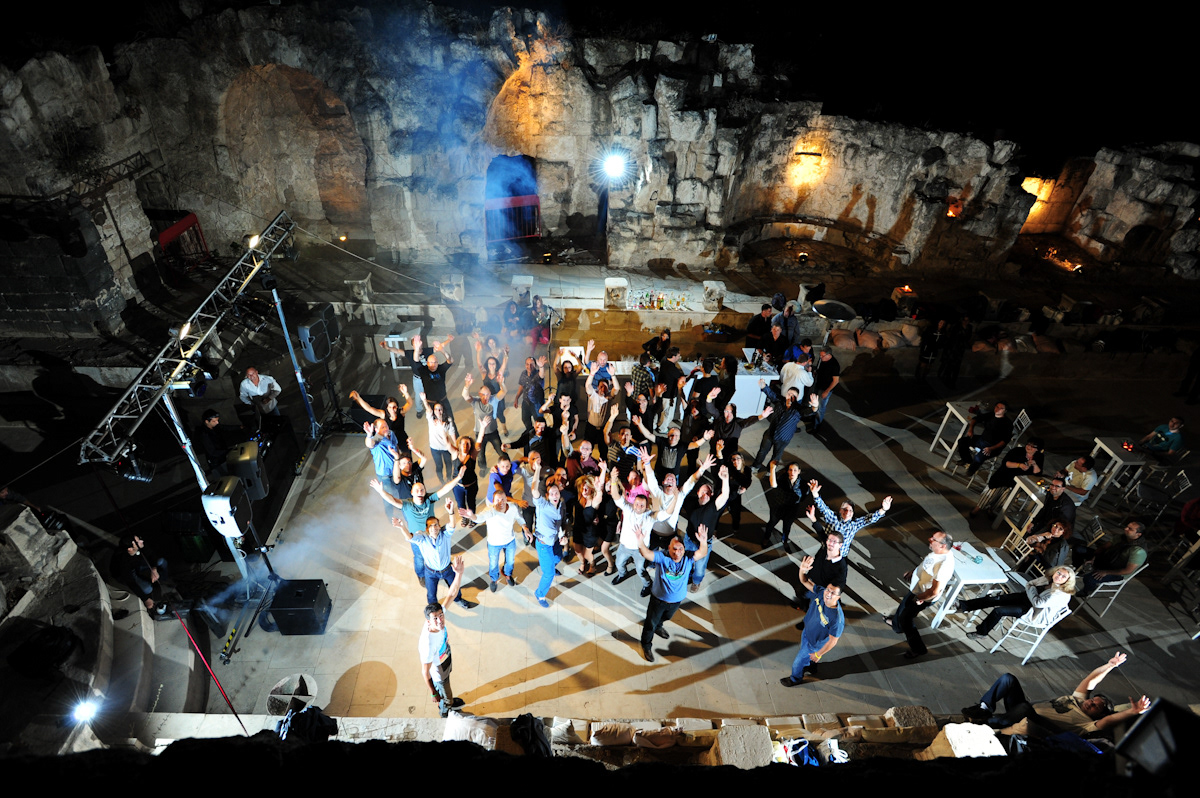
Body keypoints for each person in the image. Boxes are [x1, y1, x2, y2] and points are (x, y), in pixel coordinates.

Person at [961, 651, 1152, 737]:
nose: (1090, 703)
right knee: (1008, 679)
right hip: (1021, 710)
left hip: (1034, 722)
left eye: (1095, 706)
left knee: (1025, 708)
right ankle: (984, 708)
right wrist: (1109, 666)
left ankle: (989, 723)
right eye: (1092, 700)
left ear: (1099, 714)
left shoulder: (1087, 724)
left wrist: (1132, 712)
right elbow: (1091, 680)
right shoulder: (1078, 700)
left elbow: (1109, 721)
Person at [371, 469, 465, 584]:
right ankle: (421, 575)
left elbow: (444, 489)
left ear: (425, 492)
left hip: (433, 534)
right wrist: (381, 491)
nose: (420, 492)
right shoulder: (407, 504)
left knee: (440, 551)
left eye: (422, 490)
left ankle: (444, 567)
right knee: (419, 558)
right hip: (418, 539)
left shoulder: (429, 499)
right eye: (417, 490)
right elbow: (392, 500)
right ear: (412, 492)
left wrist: (458, 477)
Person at [635, 525, 709, 662]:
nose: (677, 552)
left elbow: (702, 553)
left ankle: (659, 627)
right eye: (674, 549)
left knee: (666, 617)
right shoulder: (662, 557)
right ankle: (646, 644)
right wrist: (640, 542)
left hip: (676, 601)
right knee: (650, 624)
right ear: (668, 548)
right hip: (658, 600)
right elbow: (646, 553)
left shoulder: (688, 558)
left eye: (680, 549)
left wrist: (703, 541)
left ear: (684, 549)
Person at [886, 531, 953, 659]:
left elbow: (934, 591)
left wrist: (919, 598)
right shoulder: (938, 552)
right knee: (903, 609)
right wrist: (914, 572)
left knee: (906, 618)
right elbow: (927, 564)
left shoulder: (944, 565)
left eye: (933, 539)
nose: (929, 539)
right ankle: (897, 625)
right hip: (917, 590)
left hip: (922, 595)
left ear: (943, 546)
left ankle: (918, 649)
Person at [961, 564, 1076, 637]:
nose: (1059, 576)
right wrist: (1032, 591)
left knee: (998, 611)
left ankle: (981, 633)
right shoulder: (1048, 578)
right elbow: (1029, 584)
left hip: (1032, 611)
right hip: (1025, 598)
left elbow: (1037, 603)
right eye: (1059, 573)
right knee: (997, 599)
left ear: (1068, 581)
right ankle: (964, 605)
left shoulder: (1061, 594)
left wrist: (1032, 590)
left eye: (1063, 576)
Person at [418, 555, 468, 718]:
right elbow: (425, 672)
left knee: (447, 686)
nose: (440, 620)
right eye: (435, 618)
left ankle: (449, 700)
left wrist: (459, 574)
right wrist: (433, 693)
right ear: (428, 621)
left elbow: (452, 594)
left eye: (441, 615)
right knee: (445, 692)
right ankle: (446, 710)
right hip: (439, 671)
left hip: (445, 657)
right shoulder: (428, 644)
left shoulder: (437, 617)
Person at [402, 499, 475, 610]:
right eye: (431, 526)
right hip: (431, 572)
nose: (434, 527)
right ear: (427, 529)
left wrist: (451, 512)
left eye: (436, 525)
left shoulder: (445, 535)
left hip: (447, 569)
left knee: (455, 587)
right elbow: (410, 537)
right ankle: (434, 609)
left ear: (439, 526)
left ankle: (458, 599)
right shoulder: (422, 538)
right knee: (431, 594)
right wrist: (402, 527)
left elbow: (452, 525)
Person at [780, 580, 844, 687]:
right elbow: (805, 581)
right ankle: (812, 666)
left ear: (838, 597)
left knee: (798, 663)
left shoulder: (837, 619)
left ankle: (795, 679)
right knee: (806, 654)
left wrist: (819, 654)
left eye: (833, 593)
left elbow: (833, 641)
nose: (828, 594)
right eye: (828, 590)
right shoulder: (822, 593)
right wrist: (802, 572)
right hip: (807, 632)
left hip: (814, 644)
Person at [459, 489, 526, 592]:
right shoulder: (490, 511)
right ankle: (494, 579)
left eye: (503, 499)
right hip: (494, 543)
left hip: (510, 541)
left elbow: (519, 517)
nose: (501, 502)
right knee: (494, 563)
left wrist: (525, 528)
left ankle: (507, 575)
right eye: (497, 500)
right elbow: (479, 518)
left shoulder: (512, 507)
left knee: (510, 561)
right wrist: (471, 516)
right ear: (493, 502)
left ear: (506, 499)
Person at [808, 479, 892, 557]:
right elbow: (822, 507)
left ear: (853, 513)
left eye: (850, 510)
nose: (847, 512)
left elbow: (871, 519)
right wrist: (815, 494)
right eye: (845, 509)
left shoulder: (854, 524)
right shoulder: (832, 518)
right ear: (840, 510)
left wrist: (883, 509)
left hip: (840, 557)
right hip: (825, 553)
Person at [529, 460, 567, 608]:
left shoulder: (561, 505)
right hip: (544, 544)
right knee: (549, 574)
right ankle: (539, 594)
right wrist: (538, 469)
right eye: (551, 493)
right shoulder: (542, 504)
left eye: (556, 492)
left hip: (555, 541)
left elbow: (560, 524)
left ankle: (550, 565)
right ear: (547, 495)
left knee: (558, 557)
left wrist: (563, 537)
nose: (554, 495)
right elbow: (534, 490)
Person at [972, 437, 1044, 516]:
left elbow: (1037, 473)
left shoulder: (1039, 457)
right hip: (1003, 476)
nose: (1029, 447)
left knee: (1005, 498)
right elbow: (1005, 463)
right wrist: (1019, 465)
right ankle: (977, 509)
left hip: (1015, 483)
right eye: (1028, 444)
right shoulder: (1017, 451)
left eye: (1032, 446)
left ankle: (991, 509)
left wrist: (1034, 464)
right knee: (991, 494)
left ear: (1037, 449)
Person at [1076, 521, 1147, 597]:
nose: (1125, 529)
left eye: (1130, 529)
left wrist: (1106, 572)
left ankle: (1087, 591)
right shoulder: (1121, 537)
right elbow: (1103, 548)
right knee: (1079, 549)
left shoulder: (1139, 551)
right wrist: (1093, 558)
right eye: (1127, 526)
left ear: (1138, 534)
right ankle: (1079, 570)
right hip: (1106, 559)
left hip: (1117, 571)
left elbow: (1128, 570)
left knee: (1089, 578)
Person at [112, 535, 173, 618]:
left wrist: (154, 569)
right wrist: (145, 599)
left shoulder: (140, 545)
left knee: (162, 562)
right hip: (126, 573)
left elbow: (151, 555)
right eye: (137, 542)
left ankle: (163, 580)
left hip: (137, 565)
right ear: (130, 549)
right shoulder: (123, 561)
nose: (142, 541)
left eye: (139, 539)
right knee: (147, 589)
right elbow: (130, 582)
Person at [752, 380, 805, 470]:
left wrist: (815, 407)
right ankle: (755, 466)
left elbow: (808, 411)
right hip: (770, 433)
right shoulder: (780, 401)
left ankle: (770, 471)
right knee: (762, 451)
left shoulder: (798, 409)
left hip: (783, 438)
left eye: (793, 395)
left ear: (797, 397)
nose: (790, 396)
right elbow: (772, 394)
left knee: (776, 456)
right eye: (789, 394)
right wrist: (764, 386)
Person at [955, 402, 1013, 476]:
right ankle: (967, 460)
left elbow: (1004, 441)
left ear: (1005, 411)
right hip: (981, 439)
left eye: (1001, 408)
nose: (997, 409)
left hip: (992, 446)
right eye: (997, 407)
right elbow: (976, 419)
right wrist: (971, 429)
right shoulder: (991, 415)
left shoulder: (1007, 424)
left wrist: (991, 448)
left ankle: (971, 470)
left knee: (979, 457)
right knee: (962, 441)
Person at [462, 373, 506, 470]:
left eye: (487, 394)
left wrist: (502, 383)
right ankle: (483, 469)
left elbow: (503, 392)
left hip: (493, 432)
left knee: (501, 451)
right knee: (480, 455)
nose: (485, 397)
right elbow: (465, 396)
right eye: (483, 394)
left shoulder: (494, 399)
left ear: (490, 394)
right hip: (479, 433)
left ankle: (508, 465)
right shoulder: (475, 402)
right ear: (479, 394)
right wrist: (467, 385)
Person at [407, 334, 455, 417]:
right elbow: (416, 361)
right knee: (433, 422)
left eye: (435, 362)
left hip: (443, 400)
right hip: (431, 403)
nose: (433, 364)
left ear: (437, 363)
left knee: (450, 420)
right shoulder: (423, 371)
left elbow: (450, 360)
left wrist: (442, 350)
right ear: (427, 363)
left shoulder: (441, 369)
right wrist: (417, 349)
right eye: (431, 362)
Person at [419, 394, 459, 484]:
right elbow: (428, 409)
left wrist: (456, 445)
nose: (438, 411)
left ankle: (448, 478)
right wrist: (424, 400)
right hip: (435, 448)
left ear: (443, 410)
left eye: (440, 409)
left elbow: (452, 432)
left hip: (446, 447)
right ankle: (441, 480)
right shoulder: (431, 419)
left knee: (448, 464)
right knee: (439, 466)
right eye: (436, 409)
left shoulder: (448, 420)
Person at [811, 349, 841, 431]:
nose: (820, 357)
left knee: (821, 407)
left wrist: (827, 391)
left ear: (829, 355)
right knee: (814, 403)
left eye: (822, 356)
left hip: (825, 389)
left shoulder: (834, 365)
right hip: (819, 385)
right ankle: (813, 418)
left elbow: (836, 381)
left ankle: (816, 425)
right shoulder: (824, 360)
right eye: (820, 355)